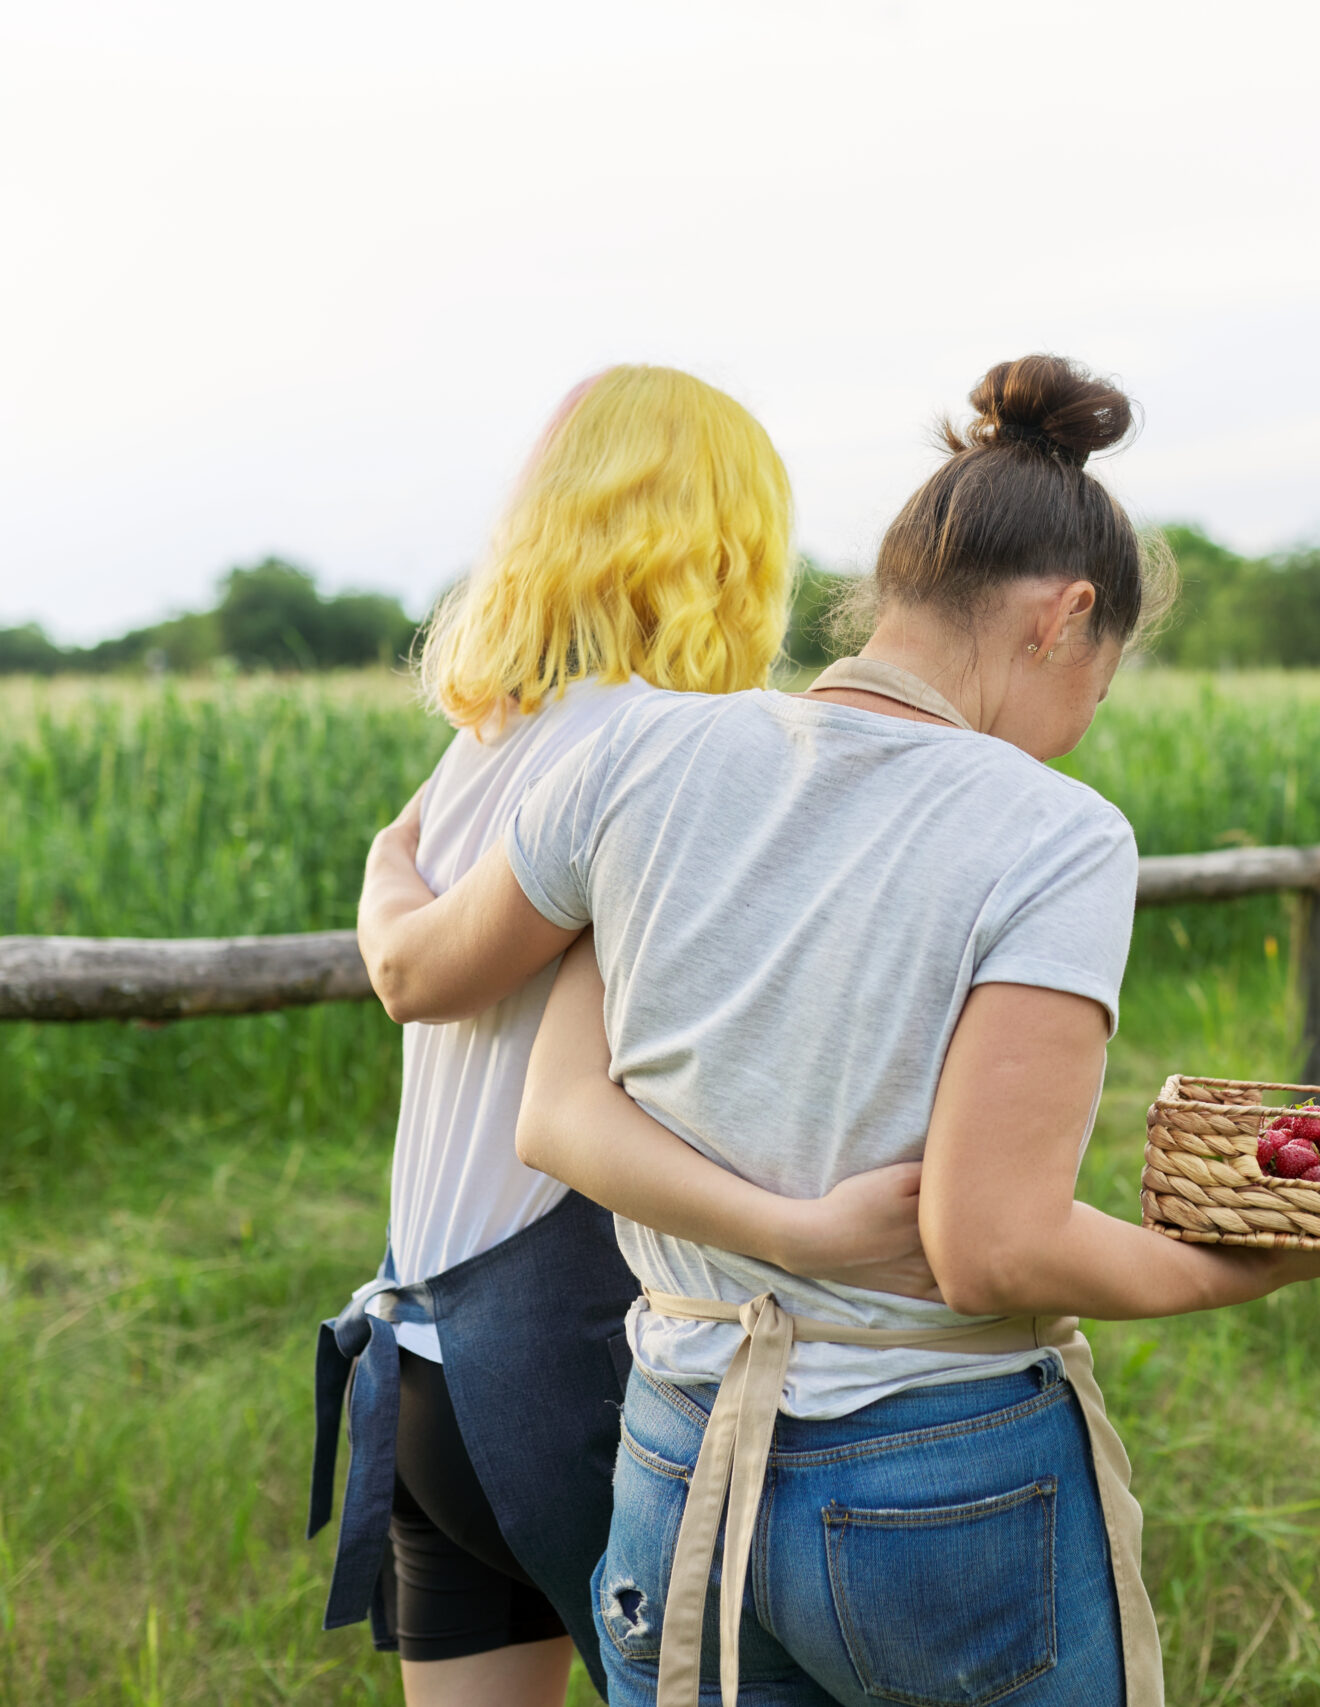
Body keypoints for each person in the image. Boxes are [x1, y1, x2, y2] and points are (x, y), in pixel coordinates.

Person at [356, 354, 1320, 1706]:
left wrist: (781, 1232)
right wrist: (1230, 1272)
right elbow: (991, 1242)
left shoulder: (632, 758)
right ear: (1066, 617)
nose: (1077, 732)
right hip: (931, 1469)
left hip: (675, 1451)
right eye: (1102, 682)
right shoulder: (1056, 832)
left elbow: (555, 1113)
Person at [316, 364, 935, 1707]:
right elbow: (431, 974)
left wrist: (379, 865)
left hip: (427, 1366)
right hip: (584, 1367)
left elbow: (404, 938)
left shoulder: (489, 737)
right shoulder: (676, 749)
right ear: (734, 542)